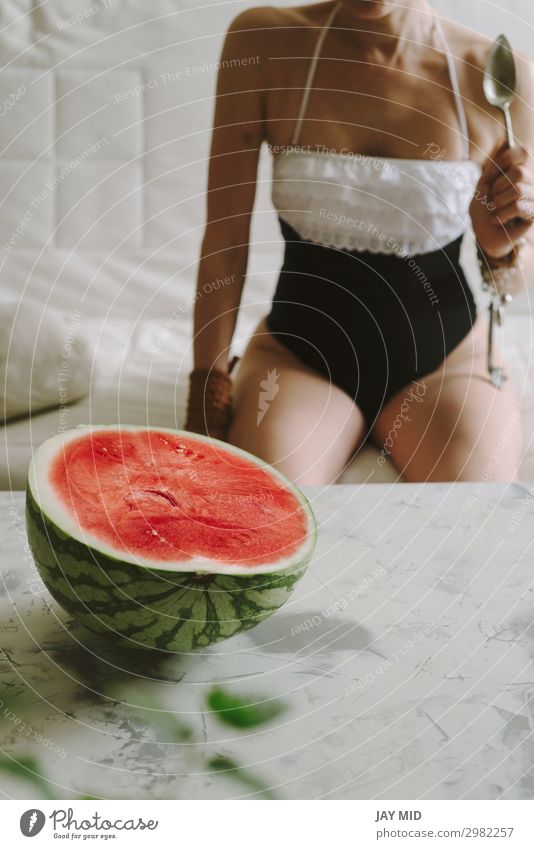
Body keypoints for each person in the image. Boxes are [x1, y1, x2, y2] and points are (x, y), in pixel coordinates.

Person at [184, 0, 534, 484]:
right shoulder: (263, 42)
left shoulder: (498, 77)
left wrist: (502, 246)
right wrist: (207, 389)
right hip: (299, 359)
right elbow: (225, 236)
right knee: (271, 517)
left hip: (448, 363)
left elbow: (515, 278)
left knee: (475, 522)